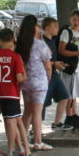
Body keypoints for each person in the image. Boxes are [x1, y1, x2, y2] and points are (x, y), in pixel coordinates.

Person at [0, 28, 27, 156]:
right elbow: (19, 78)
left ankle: (20, 149)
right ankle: (10, 151)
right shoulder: (15, 57)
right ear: (12, 40)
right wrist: (24, 76)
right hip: (12, 93)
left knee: (10, 121)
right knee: (11, 122)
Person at [16, 15, 55, 145]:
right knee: (37, 113)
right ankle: (38, 142)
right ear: (34, 27)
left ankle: (23, 141)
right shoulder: (40, 44)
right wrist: (48, 79)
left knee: (27, 111)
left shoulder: (20, 45)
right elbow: (48, 66)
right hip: (39, 83)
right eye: (37, 26)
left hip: (25, 83)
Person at [57, 11, 79, 129]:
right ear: (70, 20)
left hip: (76, 66)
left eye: (78, 20)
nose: (76, 22)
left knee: (74, 93)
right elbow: (61, 50)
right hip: (68, 67)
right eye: (74, 19)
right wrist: (78, 53)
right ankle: (69, 117)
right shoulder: (67, 32)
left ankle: (74, 115)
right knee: (69, 93)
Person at [41, 18, 73, 131]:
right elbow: (41, 61)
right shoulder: (42, 42)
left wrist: (59, 64)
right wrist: (55, 64)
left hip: (54, 73)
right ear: (47, 28)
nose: (57, 29)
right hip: (45, 76)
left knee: (64, 96)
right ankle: (34, 129)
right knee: (41, 103)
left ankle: (57, 123)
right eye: (55, 26)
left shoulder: (53, 40)